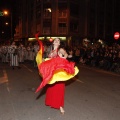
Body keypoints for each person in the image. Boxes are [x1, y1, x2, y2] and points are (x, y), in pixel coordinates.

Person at [35, 33, 79, 115]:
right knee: (51, 87)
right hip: (52, 72)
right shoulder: (51, 50)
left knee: (60, 88)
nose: (56, 41)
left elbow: (65, 54)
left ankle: (61, 106)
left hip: (59, 72)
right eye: (55, 40)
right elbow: (49, 59)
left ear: (59, 43)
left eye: (58, 40)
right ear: (53, 42)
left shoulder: (60, 49)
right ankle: (52, 102)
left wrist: (64, 57)